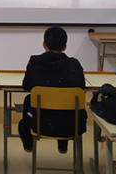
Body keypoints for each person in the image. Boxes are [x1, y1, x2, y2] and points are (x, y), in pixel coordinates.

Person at [18, 26, 87, 154]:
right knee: (70, 103)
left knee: (29, 100)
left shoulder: (35, 62)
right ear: (65, 47)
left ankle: (29, 144)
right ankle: (63, 142)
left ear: (44, 44)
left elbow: (26, 85)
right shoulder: (74, 64)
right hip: (70, 125)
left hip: (40, 123)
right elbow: (81, 88)